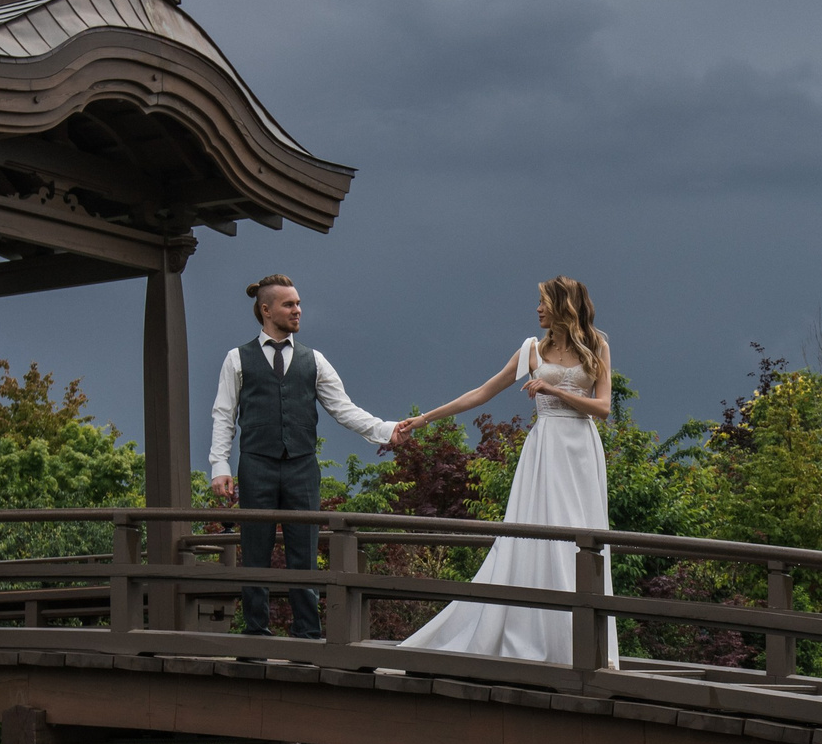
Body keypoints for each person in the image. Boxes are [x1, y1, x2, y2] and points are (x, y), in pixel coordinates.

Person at [396, 276, 620, 664]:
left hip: (581, 451)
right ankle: (539, 638)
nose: (537, 309)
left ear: (564, 305)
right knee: (541, 535)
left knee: (580, 540)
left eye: (543, 302)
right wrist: (424, 419)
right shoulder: (531, 350)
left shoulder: (597, 346)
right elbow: (480, 393)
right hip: (546, 450)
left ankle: (580, 644)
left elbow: (602, 408)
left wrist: (556, 391)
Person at [209, 273, 404, 638]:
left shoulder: (314, 360)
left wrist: (387, 430)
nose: (298, 310)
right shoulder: (237, 359)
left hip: (301, 467)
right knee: (255, 552)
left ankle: (308, 637)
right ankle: (255, 636)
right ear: (266, 310)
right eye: (289, 304)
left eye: (298, 303)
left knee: (305, 553)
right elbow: (224, 415)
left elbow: (344, 409)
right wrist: (220, 466)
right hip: (256, 465)